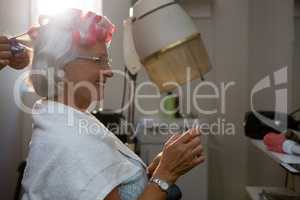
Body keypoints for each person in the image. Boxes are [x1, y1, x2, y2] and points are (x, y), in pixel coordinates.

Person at [21, 9, 205, 200]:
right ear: (61, 66)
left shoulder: (70, 118)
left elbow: (118, 188)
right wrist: (166, 174)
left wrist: (155, 169)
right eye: (98, 60)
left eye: (106, 61)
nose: (109, 71)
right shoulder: (69, 143)